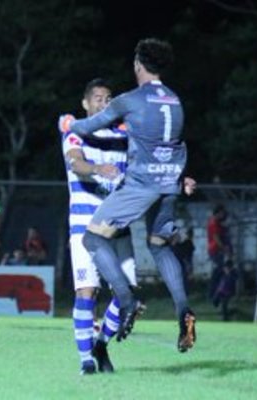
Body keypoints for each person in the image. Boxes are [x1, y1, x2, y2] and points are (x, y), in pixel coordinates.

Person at [60, 38, 197, 352]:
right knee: (159, 246)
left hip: (142, 184)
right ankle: (184, 312)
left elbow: (87, 126)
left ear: (138, 64)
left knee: (92, 238)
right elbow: (170, 145)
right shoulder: (175, 100)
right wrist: (180, 179)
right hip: (169, 181)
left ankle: (127, 298)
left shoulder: (130, 99)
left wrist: (68, 122)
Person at [60, 78, 138, 375]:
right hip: (85, 226)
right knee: (87, 293)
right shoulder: (75, 132)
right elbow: (76, 163)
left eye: (108, 98)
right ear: (85, 103)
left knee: (127, 294)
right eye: (97, 98)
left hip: (118, 226)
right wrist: (96, 169)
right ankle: (87, 362)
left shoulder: (122, 136)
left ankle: (101, 344)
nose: (103, 102)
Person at [207, 204, 232, 302]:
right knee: (218, 272)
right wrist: (224, 248)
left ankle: (217, 293)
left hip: (217, 250)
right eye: (221, 213)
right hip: (215, 250)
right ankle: (213, 294)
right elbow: (216, 238)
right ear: (218, 213)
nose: (223, 215)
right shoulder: (213, 223)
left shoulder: (217, 223)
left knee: (220, 272)